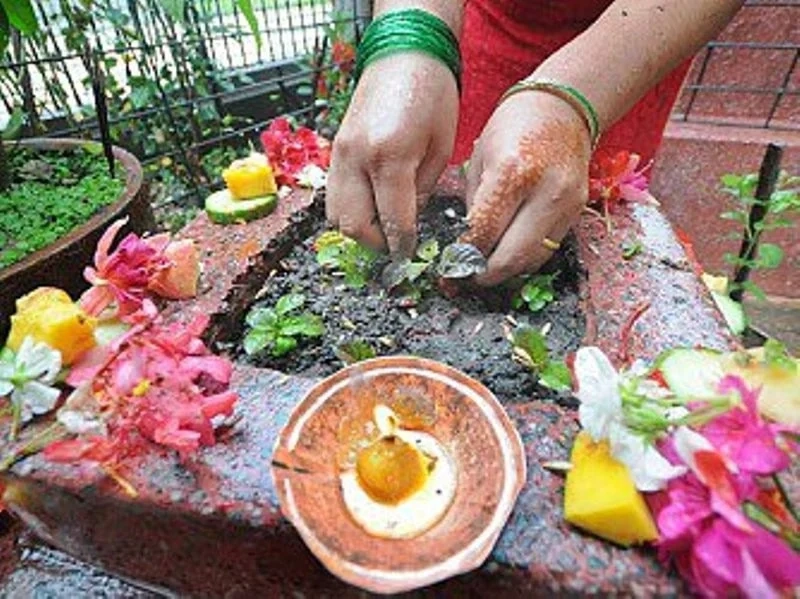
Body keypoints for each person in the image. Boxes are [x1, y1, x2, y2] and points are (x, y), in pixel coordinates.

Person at [325, 0, 743, 286]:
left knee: (568, 222)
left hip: (638, 37)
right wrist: (411, 35)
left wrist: (573, 100)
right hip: (490, 24)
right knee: (462, 184)